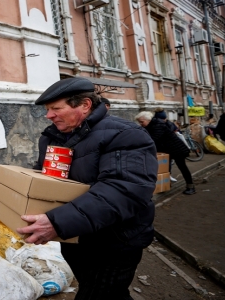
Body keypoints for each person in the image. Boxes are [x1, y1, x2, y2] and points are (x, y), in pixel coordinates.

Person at [17, 77, 157, 300]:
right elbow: (49, 179)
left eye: (55, 108)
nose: (48, 115)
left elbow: (124, 191)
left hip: (114, 242)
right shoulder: (53, 136)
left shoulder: (124, 134)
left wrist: (58, 221)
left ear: (84, 105)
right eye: (47, 110)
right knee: (108, 292)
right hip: (76, 239)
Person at [135, 111, 195, 195]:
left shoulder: (157, 125)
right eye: (139, 122)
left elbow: (153, 139)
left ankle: (190, 186)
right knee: (165, 169)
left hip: (176, 149)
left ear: (148, 120)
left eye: (142, 122)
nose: (141, 124)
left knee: (182, 167)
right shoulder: (151, 125)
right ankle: (165, 184)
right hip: (166, 150)